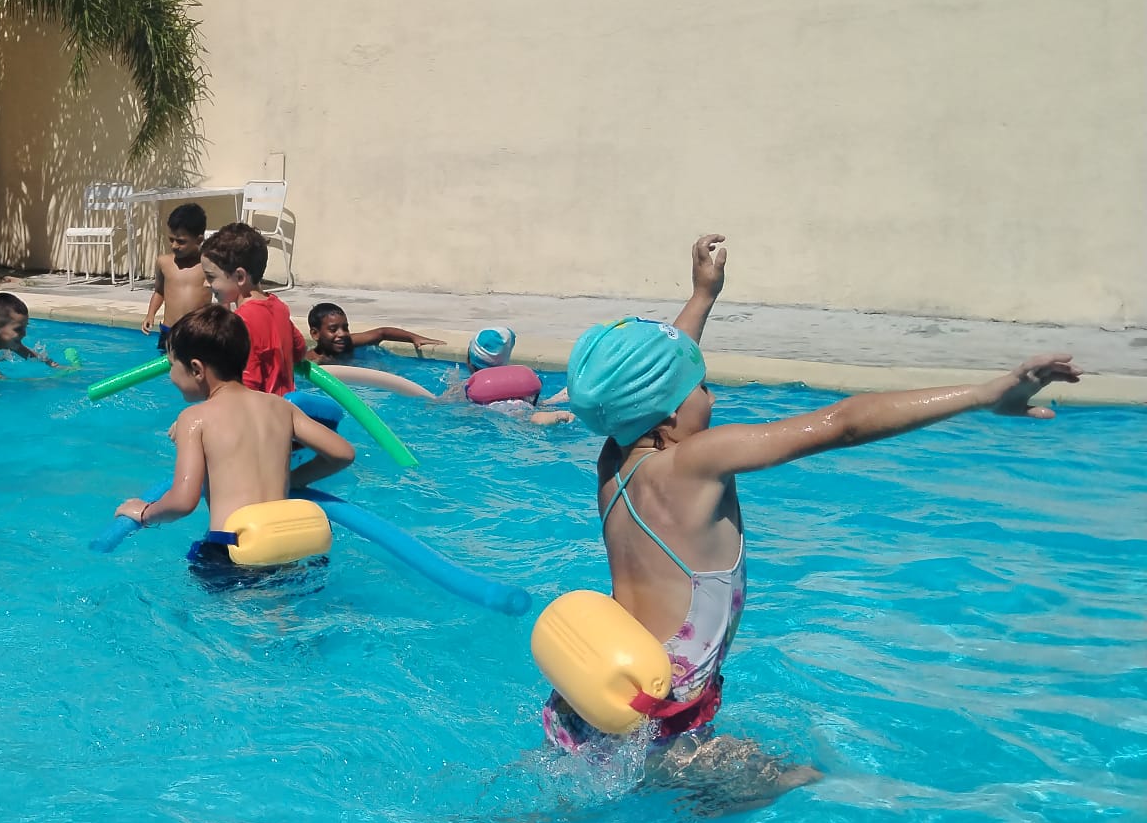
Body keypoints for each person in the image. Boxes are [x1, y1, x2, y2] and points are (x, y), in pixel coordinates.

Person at [550, 235, 1081, 771]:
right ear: (667, 414)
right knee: (802, 780)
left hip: (591, 700)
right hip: (664, 720)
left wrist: (702, 296)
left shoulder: (614, 461)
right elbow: (843, 423)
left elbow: (651, 387)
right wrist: (988, 394)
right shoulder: (698, 461)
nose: (713, 396)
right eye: (703, 386)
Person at [115, 305, 354, 569]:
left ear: (196, 369)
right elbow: (343, 453)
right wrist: (292, 481)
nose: (170, 376)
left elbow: (182, 501)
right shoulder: (281, 407)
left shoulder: (194, 418)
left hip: (234, 548)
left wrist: (145, 512)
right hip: (292, 543)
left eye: (172, 366)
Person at [200, 222, 305, 396]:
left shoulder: (241, 322)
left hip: (259, 418)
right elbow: (299, 351)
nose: (206, 284)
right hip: (284, 411)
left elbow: (246, 387)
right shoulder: (279, 307)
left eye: (211, 277)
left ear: (240, 276)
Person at [140, 203, 211, 352]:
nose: (174, 246)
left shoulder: (208, 265)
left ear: (198, 240)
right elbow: (159, 291)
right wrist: (150, 314)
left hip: (197, 333)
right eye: (171, 239)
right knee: (167, 372)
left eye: (181, 241)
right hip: (169, 331)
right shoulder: (164, 262)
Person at [305, 303, 440, 364]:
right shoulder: (309, 360)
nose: (342, 334)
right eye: (333, 330)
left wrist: (414, 338)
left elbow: (382, 333)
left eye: (345, 327)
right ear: (315, 334)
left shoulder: (349, 343)